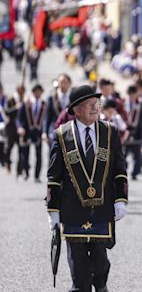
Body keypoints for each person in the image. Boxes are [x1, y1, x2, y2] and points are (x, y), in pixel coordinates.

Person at [46, 85, 128, 292]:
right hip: (73, 209)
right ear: (76, 110)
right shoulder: (62, 135)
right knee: (80, 273)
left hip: (102, 209)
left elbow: (120, 169)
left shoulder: (110, 132)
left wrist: (121, 199)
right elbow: (54, 176)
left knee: (101, 265)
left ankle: (100, 286)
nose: (95, 107)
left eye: (96, 103)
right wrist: (53, 210)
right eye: (89, 104)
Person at [17, 83, 47, 181]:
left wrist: (44, 132)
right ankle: (26, 172)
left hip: (38, 133)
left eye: (39, 91)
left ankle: (37, 176)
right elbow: (19, 117)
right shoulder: (26, 103)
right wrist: (20, 127)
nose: (38, 93)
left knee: (39, 154)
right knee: (25, 154)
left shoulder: (44, 104)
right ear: (33, 92)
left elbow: (46, 119)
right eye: (36, 91)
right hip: (27, 132)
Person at [44, 73, 73, 144]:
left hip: (70, 130)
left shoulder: (73, 97)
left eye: (65, 82)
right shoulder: (52, 97)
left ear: (69, 83)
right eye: (61, 82)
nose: (63, 85)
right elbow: (47, 117)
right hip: (54, 129)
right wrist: (44, 132)